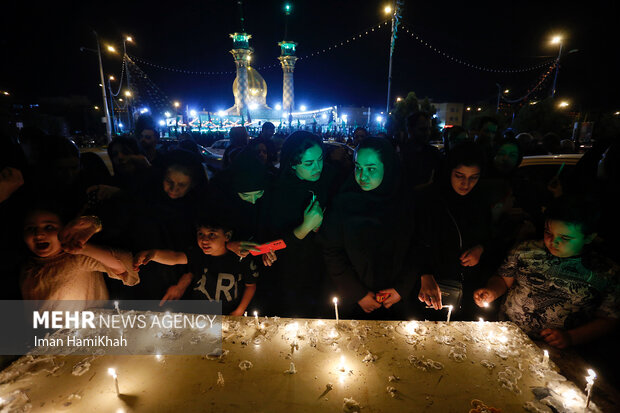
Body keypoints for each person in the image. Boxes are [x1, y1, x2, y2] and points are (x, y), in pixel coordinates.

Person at [473, 198, 619, 349]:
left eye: (565, 238)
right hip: (506, 337)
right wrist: (491, 292)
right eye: (548, 232)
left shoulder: (605, 272)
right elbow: (503, 280)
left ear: (589, 237)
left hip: (557, 351)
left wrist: (570, 337)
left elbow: (609, 319)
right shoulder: (525, 251)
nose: (553, 241)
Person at [321, 137, 417, 319]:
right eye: (358, 167)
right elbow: (332, 251)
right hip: (351, 302)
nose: (362, 176)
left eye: (371, 169)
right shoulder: (344, 202)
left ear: (387, 167)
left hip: (396, 302)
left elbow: (417, 248)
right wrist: (358, 294)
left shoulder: (406, 204)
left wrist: (400, 289)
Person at [414, 142, 493, 320]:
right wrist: (424, 274)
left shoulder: (480, 202)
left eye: (474, 177)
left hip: (468, 289)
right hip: (430, 286)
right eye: (459, 176)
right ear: (449, 171)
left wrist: (481, 249)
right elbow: (414, 241)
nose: (466, 184)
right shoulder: (428, 199)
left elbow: (490, 236)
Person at [263, 131, 337, 317]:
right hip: (291, 274)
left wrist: (322, 226)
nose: (317, 167)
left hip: (325, 268)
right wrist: (304, 228)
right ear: (292, 164)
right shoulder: (277, 191)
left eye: (320, 159)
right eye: (309, 163)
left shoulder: (331, 178)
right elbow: (272, 246)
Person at [133, 217, 258, 315]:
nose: (204, 240)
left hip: (227, 313)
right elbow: (175, 257)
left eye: (212, 234)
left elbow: (250, 285)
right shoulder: (198, 254)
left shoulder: (241, 258)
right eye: (200, 234)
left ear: (227, 236)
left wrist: (239, 311)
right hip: (200, 313)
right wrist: (153, 254)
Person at [20, 205, 139, 303]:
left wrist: (83, 248)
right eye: (31, 228)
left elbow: (122, 267)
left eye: (49, 227)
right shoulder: (28, 269)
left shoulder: (78, 259)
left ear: (66, 230)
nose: (38, 234)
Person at [399, 111, 443, 190]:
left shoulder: (434, 153)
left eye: (429, 129)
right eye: (422, 129)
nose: (427, 133)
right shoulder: (399, 154)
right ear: (410, 130)